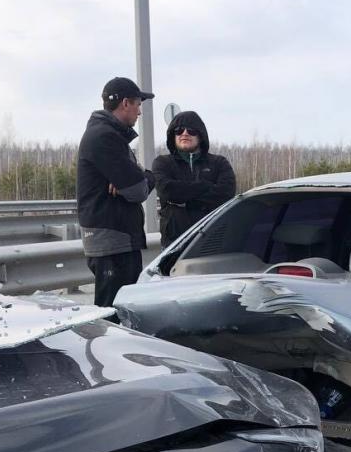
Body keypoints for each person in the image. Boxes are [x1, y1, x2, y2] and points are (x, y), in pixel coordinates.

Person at [77, 76, 156, 307]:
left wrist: (137, 176)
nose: (139, 112)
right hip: (112, 241)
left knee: (119, 312)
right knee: (112, 316)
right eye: (138, 104)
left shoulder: (109, 136)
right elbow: (138, 190)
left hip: (116, 239)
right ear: (125, 103)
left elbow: (133, 183)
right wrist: (146, 176)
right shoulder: (104, 137)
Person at [152, 111, 236, 247]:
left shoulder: (219, 162)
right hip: (174, 244)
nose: (184, 134)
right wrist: (206, 186)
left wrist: (185, 202)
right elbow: (167, 191)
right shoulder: (162, 163)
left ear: (201, 135)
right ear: (173, 135)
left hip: (212, 242)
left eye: (191, 130)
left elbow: (225, 193)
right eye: (179, 131)